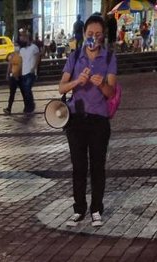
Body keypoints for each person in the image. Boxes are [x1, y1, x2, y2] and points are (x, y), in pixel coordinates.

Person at [57, 14, 118, 226]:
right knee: (79, 166)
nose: (94, 38)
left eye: (98, 34)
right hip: (76, 120)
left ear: (103, 37)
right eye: (90, 34)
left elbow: (111, 93)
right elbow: (61, 87)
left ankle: (96, 208)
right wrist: (77, 81)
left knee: (98, 166)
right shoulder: (74, 57)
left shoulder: (109, 58)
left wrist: (102, 85)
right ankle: (79, 208)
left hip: (99, 120)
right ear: (84, 34)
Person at [18, 31, 40, 114]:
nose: (21, 39)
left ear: (27, 38)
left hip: (30, 72)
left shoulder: (34, 47)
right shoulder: (22, 50)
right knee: (26, 91)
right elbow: (20, 61)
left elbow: (38, 58)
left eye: (23, 37)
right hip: (23, 72)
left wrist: (34, 68)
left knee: (27, 89)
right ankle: (28, 106)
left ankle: (30, 106)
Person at [5, 41, 23, 114]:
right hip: (13, 76)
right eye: (14, 45)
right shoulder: (12, 55)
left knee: (25, 92)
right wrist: (7, 74)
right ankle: (9, 108)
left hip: (21, 76)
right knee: (12, 93)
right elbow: (10, 65)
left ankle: (28, 107)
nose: (16, 47)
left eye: (17, 45)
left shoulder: (23, 54)